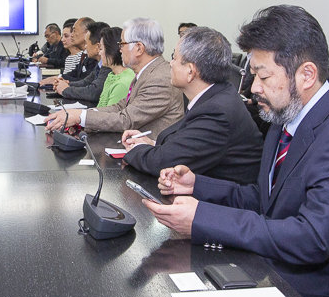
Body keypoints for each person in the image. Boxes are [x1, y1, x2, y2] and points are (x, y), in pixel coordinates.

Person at [142, 5, 329, 297]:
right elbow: (265, 199)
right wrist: (197, 185)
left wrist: (202, 218)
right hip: (272, 276)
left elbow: (311, 238)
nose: (254, 87)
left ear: (306, 75)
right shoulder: (285, 117)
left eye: (263, 76)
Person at [122, 26, 262, 184]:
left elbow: (161, 163)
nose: (170, 64)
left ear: (190, 71)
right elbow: (188, 144)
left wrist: (135, 149)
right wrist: (151, 144)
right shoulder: (216, 94)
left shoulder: (217, 112)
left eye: (174, 58)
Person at [46, 17, 184, 135]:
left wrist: (80, 117)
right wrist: (79, 115)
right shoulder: (147, 72)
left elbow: (126, 120)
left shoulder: (159, 79)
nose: (119, 49)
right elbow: (120, 106)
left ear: (139, 48)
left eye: (122, 44)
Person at [52, 21, 110, 105]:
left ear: (98, 46)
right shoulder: (100, 64)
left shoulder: (108, 66)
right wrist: (66, 84)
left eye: (87, 43)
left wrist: (66, 89)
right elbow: (86, 82)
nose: (85, 47)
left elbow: (94, 92)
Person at [42, 17, 94, 87]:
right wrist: (57, 78)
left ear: (87, 33)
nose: (72, 35)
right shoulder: (84, 55)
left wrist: (64, 82)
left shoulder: (93, 57)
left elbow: (86, 83)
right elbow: (73, 74)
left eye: (74, 31)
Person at [95, 27, 134, 108]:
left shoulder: (123, 83)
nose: (99, 53)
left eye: (101, 49)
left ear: (111, 50)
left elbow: (110, 114)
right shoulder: (112, 75)